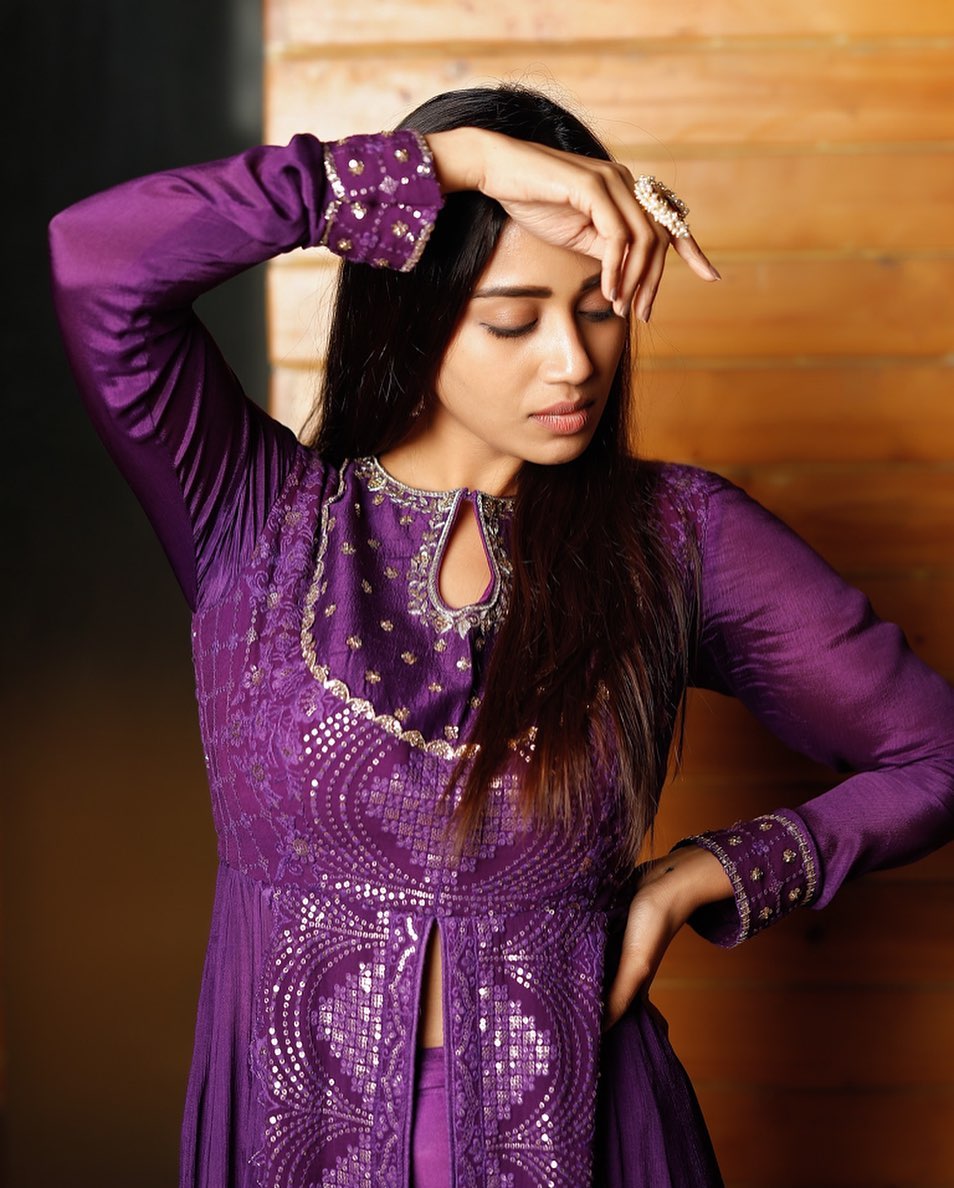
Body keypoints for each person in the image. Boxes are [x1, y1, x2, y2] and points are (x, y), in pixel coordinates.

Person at [48, 82, 954, 1188]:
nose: (573, 361)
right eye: (515, 319)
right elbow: (99, 262)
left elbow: (935, 754)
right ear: (413, 313)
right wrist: (455, 164)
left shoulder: (677, 540)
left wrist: (701, 878)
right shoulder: (254, 517)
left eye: (602, 308)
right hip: (285, 1146)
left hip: (597, 1143)